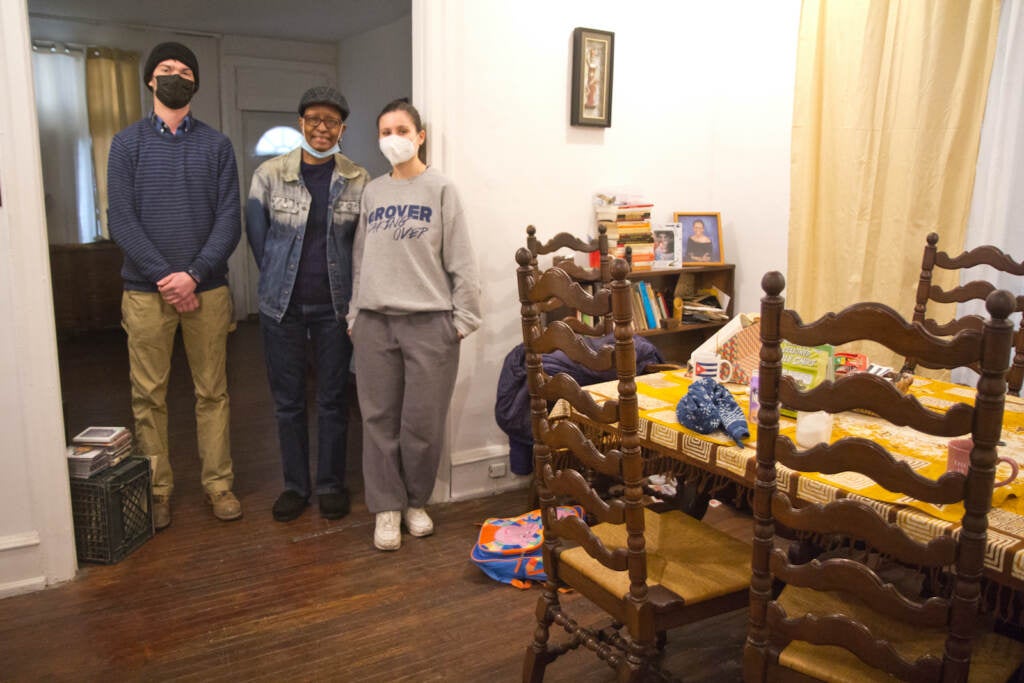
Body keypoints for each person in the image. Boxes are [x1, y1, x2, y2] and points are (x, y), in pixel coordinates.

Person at [107, 42, 242, 530]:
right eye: (166, 69)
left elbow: (229, 221)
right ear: (150, 80)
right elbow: (119, 219)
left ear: (196, 84)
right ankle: (158, 489)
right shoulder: (126, 144)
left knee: (213, 393)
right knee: (149, 396)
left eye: (185, 71)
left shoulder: (218, 146)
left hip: (206, 290)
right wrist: (166, 277)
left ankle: (219, 485)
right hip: (145, 293)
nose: (176, 76)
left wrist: (194, 274)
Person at [348, 99, 481, 551]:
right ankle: (386, 507)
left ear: (420, 136)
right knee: (378, 419)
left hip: (430, 323)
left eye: (401, 129)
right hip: (374, 322)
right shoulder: (373, 192)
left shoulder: (442, 189)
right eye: (384, 131)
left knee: (422, 422)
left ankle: (415, 502)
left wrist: (463, 319)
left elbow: (461, 258)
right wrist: (354, 314)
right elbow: (360, 258)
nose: (392, 139)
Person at [245, 86, 369, 522]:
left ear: (342, 129)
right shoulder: (269, 175)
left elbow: (362, 246)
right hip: (282, 308)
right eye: (314, 119)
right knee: (289, 400)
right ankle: (295, 486)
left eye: (331, 121)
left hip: (336, 306)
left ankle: (332, 484)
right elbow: (259, 239)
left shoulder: (358, 178)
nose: (322, 127)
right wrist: (280, 280)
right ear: (301, 123)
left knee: (334, 398)